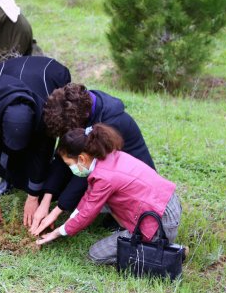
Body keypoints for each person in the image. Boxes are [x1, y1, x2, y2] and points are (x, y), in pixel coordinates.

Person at [32, 124, 182, 265]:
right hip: (164, 203)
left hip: (160, 220)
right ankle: (134, 232)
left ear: (82, 158)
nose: (70, 168)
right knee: (100, 203)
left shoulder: (105, 178)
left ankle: (170, 252)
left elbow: (87, 213)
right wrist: (69, 220)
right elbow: (88, 201)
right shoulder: (107, 156)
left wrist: (57, 233)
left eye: (69, 164)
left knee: (96, 255)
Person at [30, 83, 155, 232]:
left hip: (133, 187)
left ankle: (120, 216)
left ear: (81, 121)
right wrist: (46, 200)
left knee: (80, 193)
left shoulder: (112, 123)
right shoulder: (75, 111)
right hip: (103, 171)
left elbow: (87, 173)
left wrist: (56, 211)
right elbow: (63, 156)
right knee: (62, 186)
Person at [0, 56, 71, 229]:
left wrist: (33, 197)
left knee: (37, 159)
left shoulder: (46, 115)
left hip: (49, 73)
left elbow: (42, 154)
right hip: (7, 70)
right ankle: (8, 179)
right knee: (4, 158)